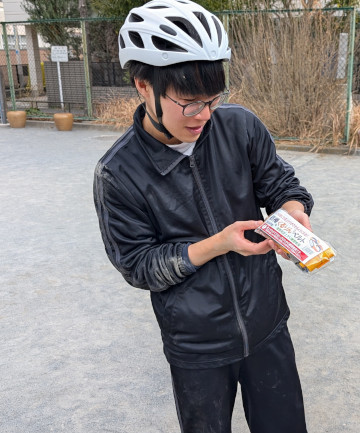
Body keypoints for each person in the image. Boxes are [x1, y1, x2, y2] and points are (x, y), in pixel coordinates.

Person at [93, 1, 314, 431]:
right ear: (143, 85)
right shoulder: (118, 173)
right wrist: (218, 244)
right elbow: (139, 266)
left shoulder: (240, 127)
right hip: (196, 346)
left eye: (213, 99)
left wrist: (293, 215)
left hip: (267, 321)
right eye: (190, 102)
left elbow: (283, 185)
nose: (205, 115)